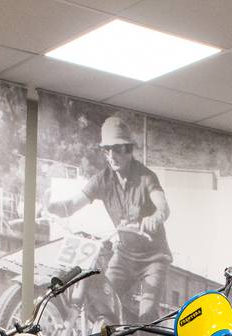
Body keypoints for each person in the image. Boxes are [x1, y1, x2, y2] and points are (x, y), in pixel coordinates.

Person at [47, 115, 171, 323]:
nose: (112, 155)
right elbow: (73, 204)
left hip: (153, 258)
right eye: (107, 150)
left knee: (146, 316)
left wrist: (155, 218)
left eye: (117, 148)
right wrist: (51, 207)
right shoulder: (102, 180)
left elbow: (164, 207)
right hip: (124, 255)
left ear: (129, 150)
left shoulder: (146, 177)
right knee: (104, 302)